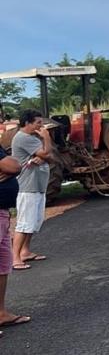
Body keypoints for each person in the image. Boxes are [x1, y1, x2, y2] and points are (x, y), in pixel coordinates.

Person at [11, 110, 52, 271]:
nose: (40, 126)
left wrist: (42, 157)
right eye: (38, 123)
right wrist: (46, 138)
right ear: (27, 123)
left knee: (34, 222)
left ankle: (25, 251)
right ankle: (15, 258)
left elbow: (49, 156)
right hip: (27, 187)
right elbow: (47, 152)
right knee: (24, 223)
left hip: (37, 186)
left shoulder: (31, 138)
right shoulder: (23, 138)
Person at [1, 150, 31, 337]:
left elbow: (15, 167)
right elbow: (13, 165)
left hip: (3, 212)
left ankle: (1, 313)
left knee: (3, 266)